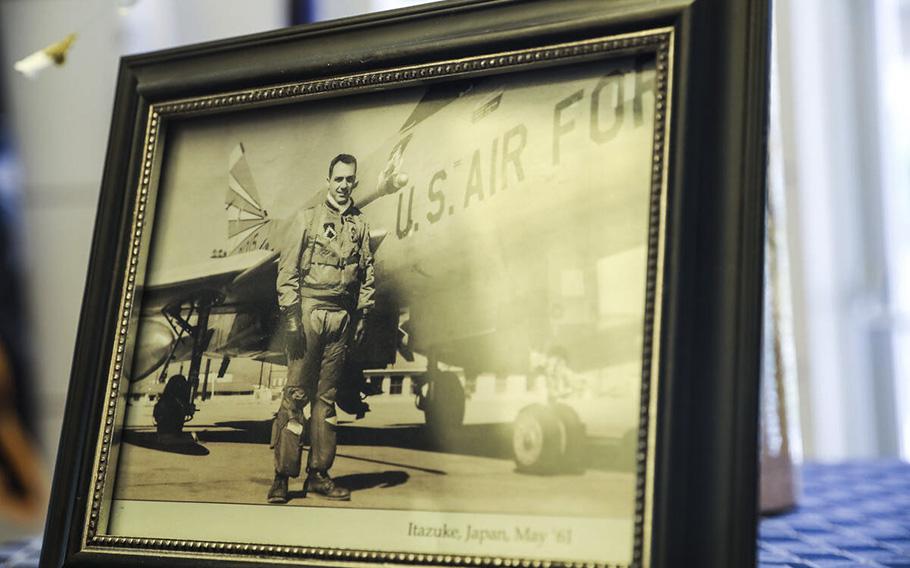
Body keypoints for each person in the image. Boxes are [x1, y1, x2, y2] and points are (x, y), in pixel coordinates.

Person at [268, 153, 375, 504]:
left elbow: (367, 275)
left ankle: (319, 474)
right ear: (328, 181)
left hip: (341, 318)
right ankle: (282, 477)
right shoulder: (308, 219)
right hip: (310, 313)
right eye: (339, 179)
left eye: (350, 180)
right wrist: (292, 316)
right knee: (296, 396)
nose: (344, 185)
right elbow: (288, 271)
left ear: (354, 183)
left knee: (326, 403)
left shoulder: (360, 226)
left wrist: (362, 315)